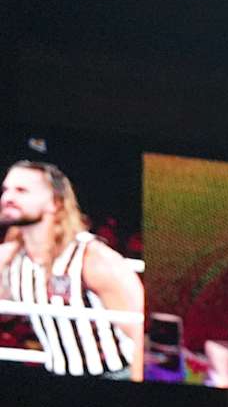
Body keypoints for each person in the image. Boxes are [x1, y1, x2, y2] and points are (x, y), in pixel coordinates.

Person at [0, 160, 142, 379]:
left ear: (55, 203)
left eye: (21, 191)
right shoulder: (14, 258)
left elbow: (141, 334)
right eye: (6, 190)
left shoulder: (92, 258)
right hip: (57, 377)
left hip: (112, 377)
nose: (7, 198)